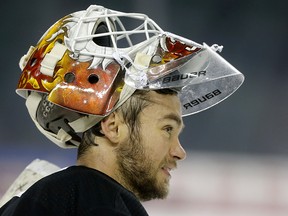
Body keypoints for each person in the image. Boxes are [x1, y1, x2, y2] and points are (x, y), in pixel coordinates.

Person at [0, 4, 244, 216]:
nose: (179, 152)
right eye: (167, 129)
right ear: (114, 127)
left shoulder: (43, 196)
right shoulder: (100, 204)